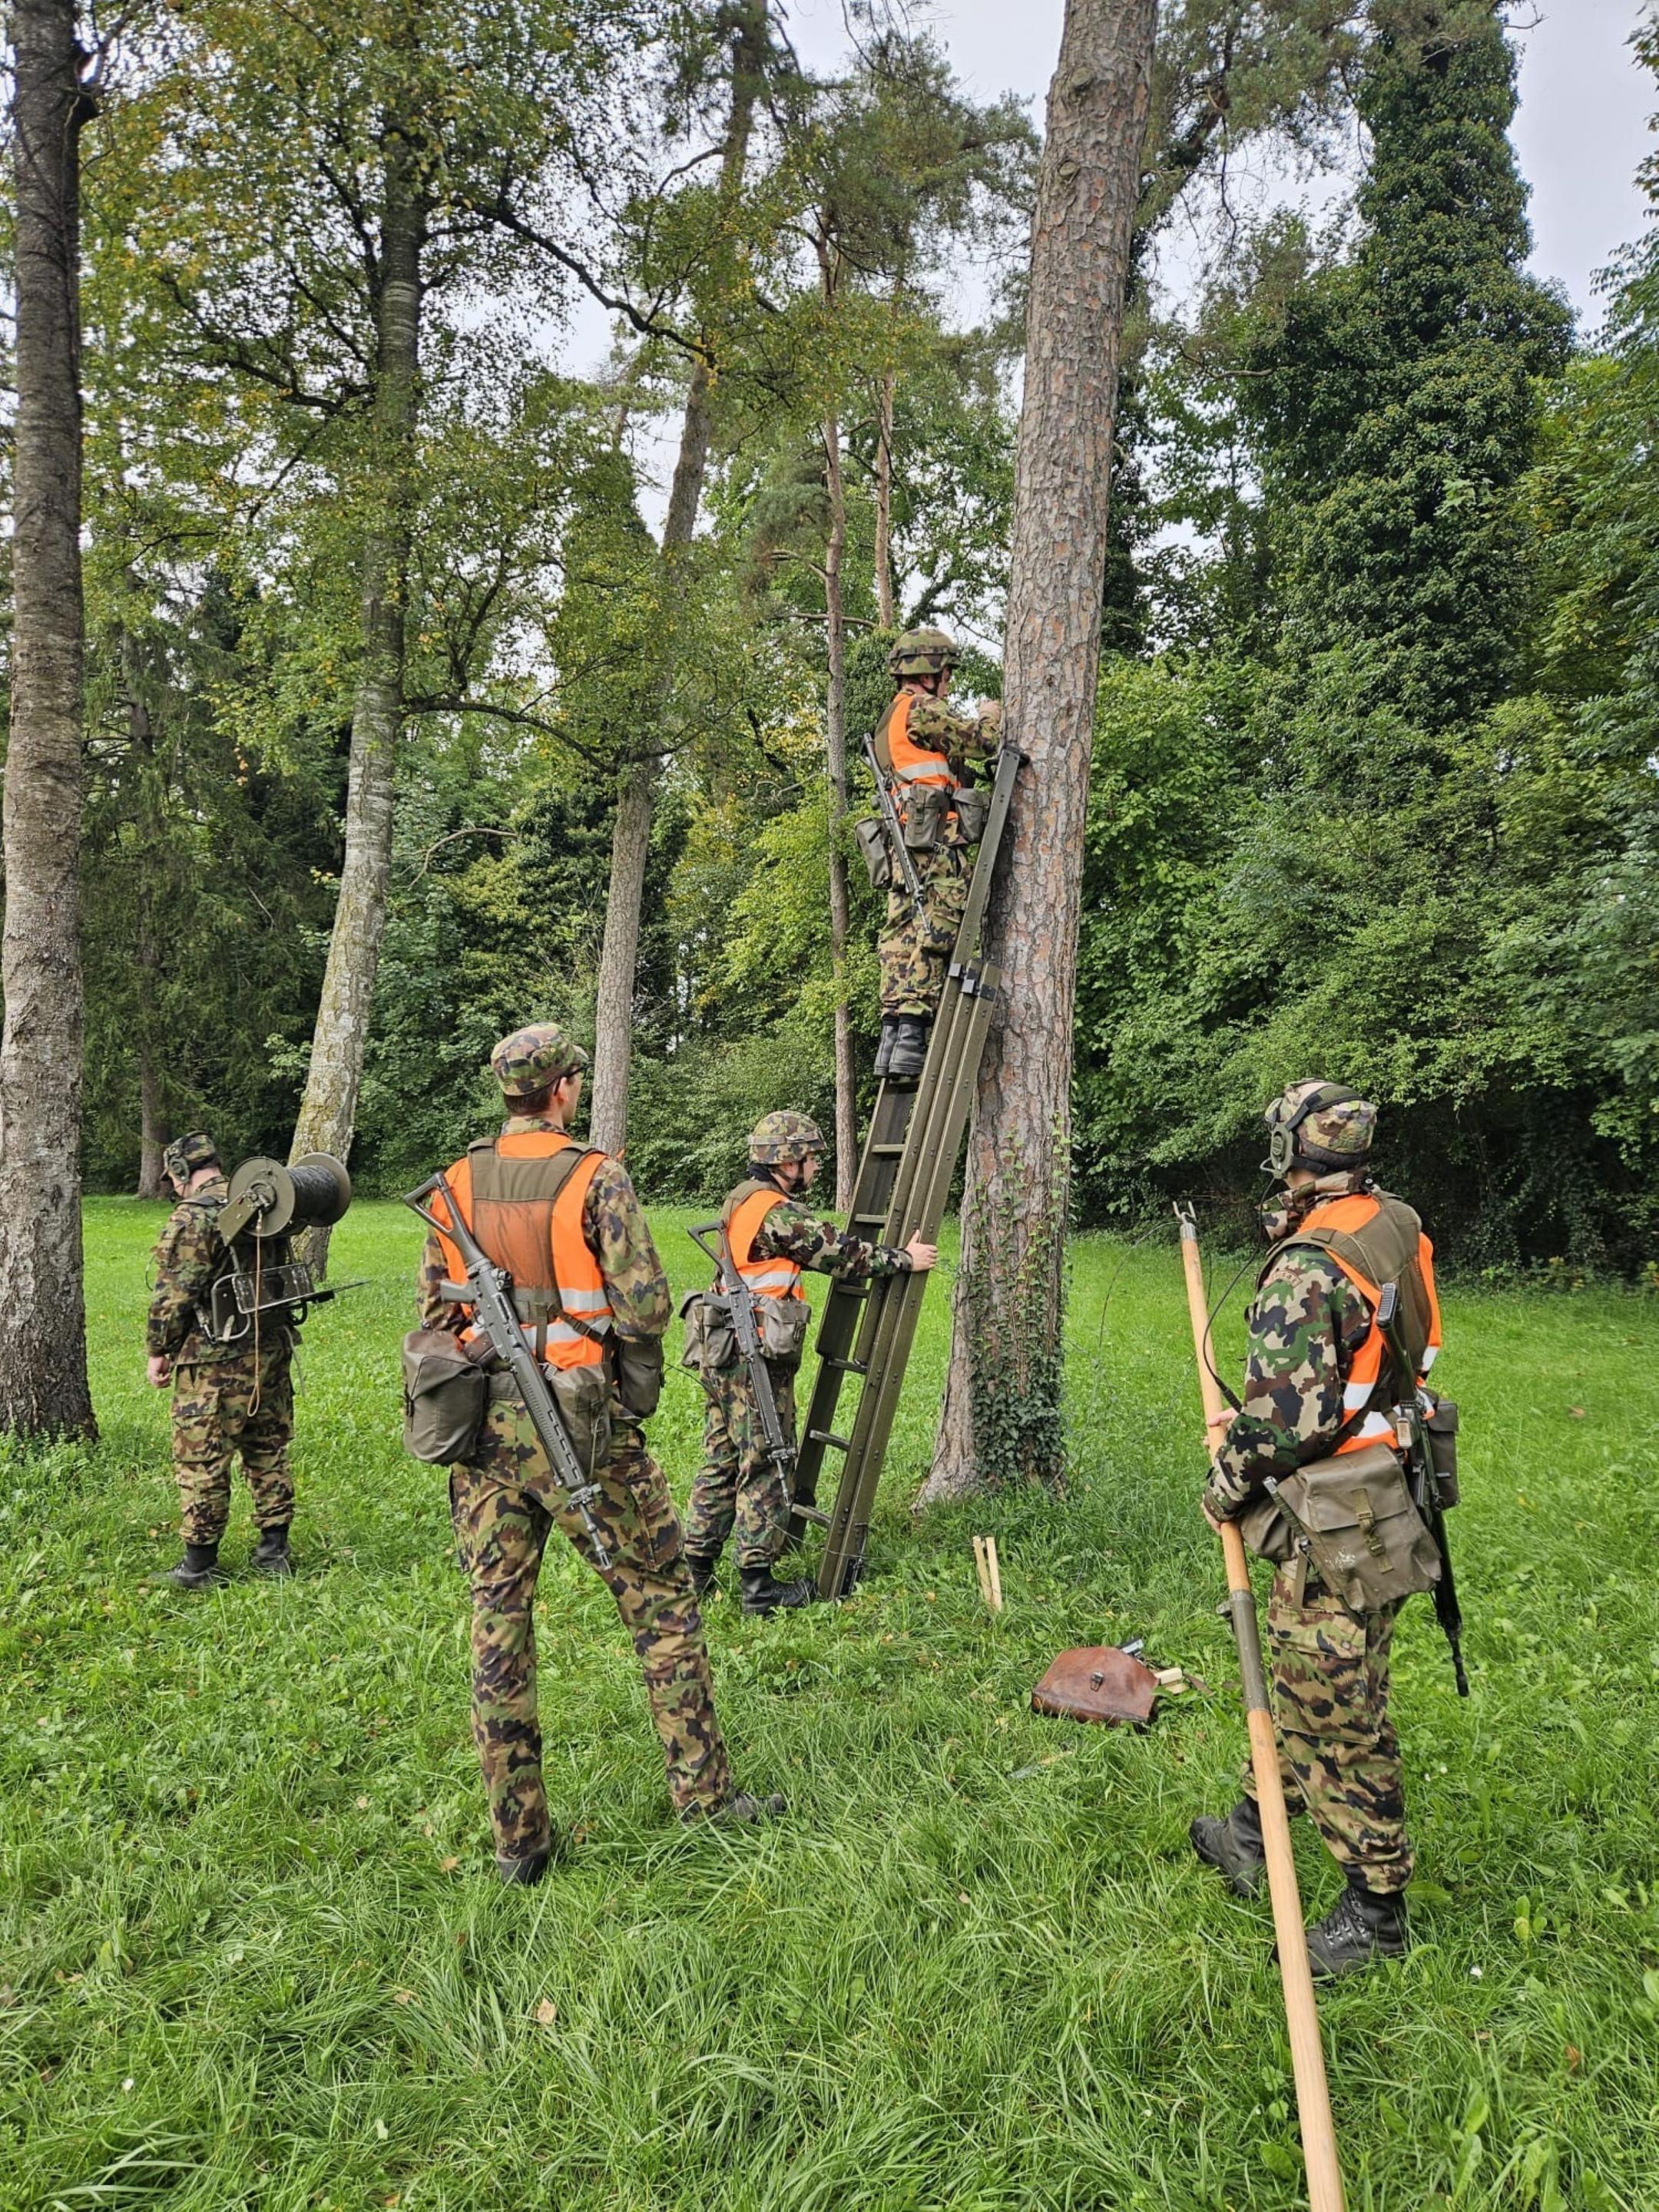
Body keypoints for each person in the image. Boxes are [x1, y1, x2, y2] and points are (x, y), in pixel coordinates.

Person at [417, 1023, 781, 1885]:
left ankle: (519, 1844)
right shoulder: (595, 1174)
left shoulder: (457, 1183)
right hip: (582, 1429)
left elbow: (437, 1305)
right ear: (565, 1089)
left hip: (480, 1428)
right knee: (662, 1604)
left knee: (498, 1622)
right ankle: (705, 1797)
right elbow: (647, 1305)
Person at [1190, 1080, 1445, 1976]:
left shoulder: (1307, 1266)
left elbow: (1282, 1428)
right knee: (1312, 1690)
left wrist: (1224, 1488)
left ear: (1290, 1147)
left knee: (1334, 1710)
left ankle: (1374, 1913)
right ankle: (1256, 1835)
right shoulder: (1394, 1221)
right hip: (1392, 1491)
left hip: (1332, 1518)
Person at [683, 1111, 937, 1614]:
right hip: (753, 1355)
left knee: (722, 1461)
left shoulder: (742, 1198)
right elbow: (840, 1255)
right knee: (766, 1460)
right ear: (787, 1161)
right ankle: (758, 1588)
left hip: (723, 1351)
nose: (816, 1165)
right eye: (811, 1156)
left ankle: (694, 1573)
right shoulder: (773, 1211)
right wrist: (904, 1259)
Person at [145, 1132, 296, 1587]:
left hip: (213, 1357)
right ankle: (275, 1553)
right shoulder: (264, 1201)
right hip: (268, 1345)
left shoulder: (193, 1218)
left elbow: (175, 1294)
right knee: (268, 1446)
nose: (175, 1189)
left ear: (182, 1174)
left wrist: (159, 1350)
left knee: (202, 1458)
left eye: (174, 1180)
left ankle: (199, 1565)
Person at [871, 627, 1001, 1081]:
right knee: (935, 929)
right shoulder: (922, 710)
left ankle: (894, 1037)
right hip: (936, 845)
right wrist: (991, 715)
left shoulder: (890, 718)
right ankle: (911, 1037)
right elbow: (982, 742)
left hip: (906, 845)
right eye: (946, 674)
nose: (949, 683)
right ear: (929, 673)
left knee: (901, 935)